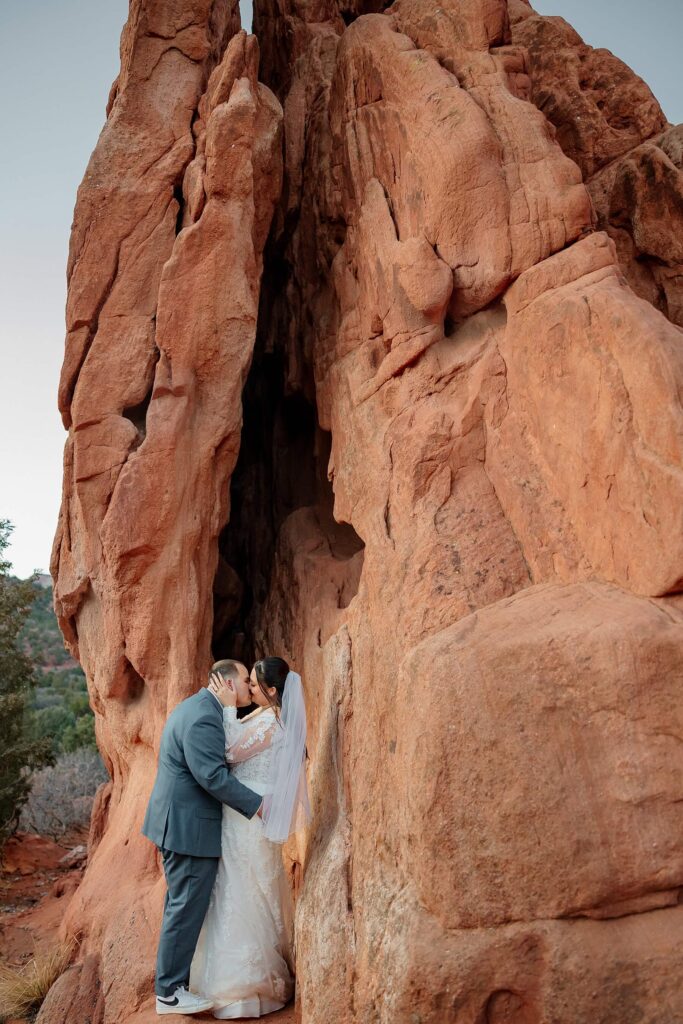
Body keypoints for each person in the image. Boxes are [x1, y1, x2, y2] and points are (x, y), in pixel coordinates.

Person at [190, 656, 310, 1019]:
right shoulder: (265, 718)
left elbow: (229, 753)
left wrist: (226, 710)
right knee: (235, 890)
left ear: (272, 691)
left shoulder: (273, 724)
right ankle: (226, 979)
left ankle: (245, 985)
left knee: (243, 892)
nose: (249, 689)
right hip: (240, 816)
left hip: (249, 818)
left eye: (255, 685)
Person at [142, 660, 262, 1016]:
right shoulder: (204, 716)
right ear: (225, 682)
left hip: (178, 823)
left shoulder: (198, 707)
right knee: (184, 908)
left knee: (180, 905)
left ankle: (173, 984)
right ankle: (169, 993)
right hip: (187, 829)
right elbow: (211, 776)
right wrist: (258, 805)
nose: (247, 686)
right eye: (244, 680)